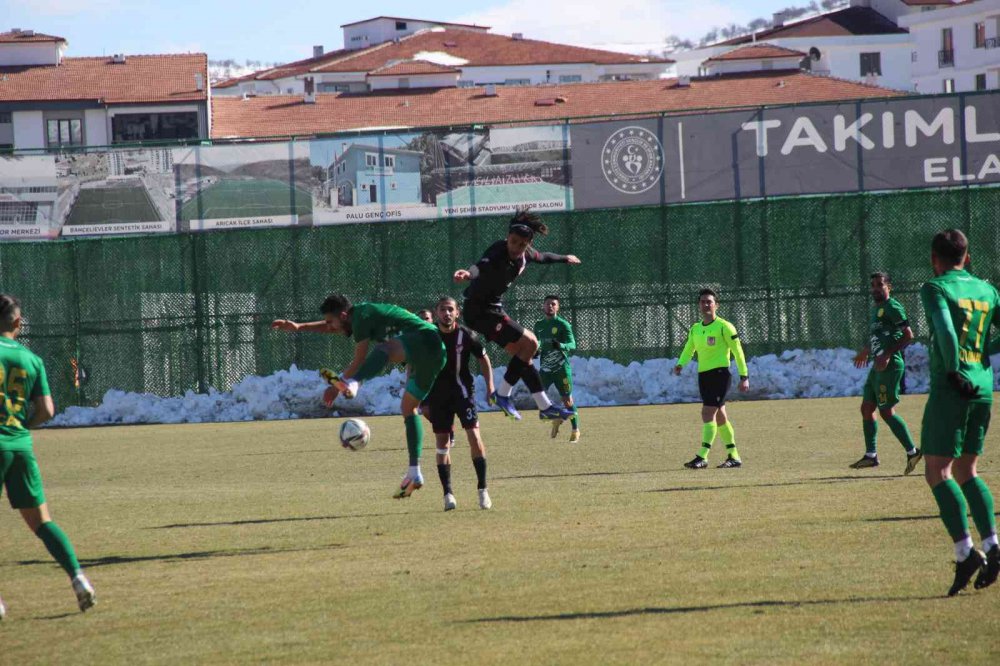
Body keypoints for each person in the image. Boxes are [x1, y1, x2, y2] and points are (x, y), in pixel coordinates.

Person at [272, 295, 446, 499]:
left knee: (383, 349)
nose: (329, 327)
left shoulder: (363, 315)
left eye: (331, 321)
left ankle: (354, 383)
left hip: (425, 338)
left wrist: (341, 385)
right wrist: (300, 327)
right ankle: (414, 472)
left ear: (344, 315)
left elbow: (358, 359)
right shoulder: (354, 318)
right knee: (408, 409)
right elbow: (332, 326)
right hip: (433, 356)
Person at [0, 294, 95, 616]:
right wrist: (20, 425)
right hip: (21, 446)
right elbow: (47, 410)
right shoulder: (32, 359)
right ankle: (79, 578)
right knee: (42, 522)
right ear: (17, 322)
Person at [919, 229, 999, 595]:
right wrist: (981, 354)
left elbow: (946, 332)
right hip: (982, 387)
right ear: (966, 257)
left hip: (953, 387)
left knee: (937, 470)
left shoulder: (935, 288)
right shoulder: (987, 289)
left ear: (935, 259)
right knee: (968, 469)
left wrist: (953, 371)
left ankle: (966, 551)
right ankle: (993, 544)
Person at [453, 209, 581, 423]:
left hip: (492, 308)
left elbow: (544, 257)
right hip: (479, 310)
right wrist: (468, 274)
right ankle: (502, 395)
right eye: (513, 241)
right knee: (531, 343)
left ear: (527, 244)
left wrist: (564, 258)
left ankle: (545, 406)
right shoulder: (498, 249)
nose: (515, 247)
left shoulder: (526, 255)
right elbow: (481, 265)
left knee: (525, 356)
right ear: (508, 238)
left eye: (521, 244)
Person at [425, 297, 495, 511]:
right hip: (438, 396)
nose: (447, 313)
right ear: (436, 313)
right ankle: (448, 494)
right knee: (442, 444)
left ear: (458, 313)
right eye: (443, 310)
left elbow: (484, 359)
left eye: (450, 310)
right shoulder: (428, 336)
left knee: (474, 436)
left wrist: (490, 387)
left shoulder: (467, 335)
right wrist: (420, 395)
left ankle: (483, 489)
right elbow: (416, 364)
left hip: (463, 393)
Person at [850, 272, 921, 474]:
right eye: (872, 285)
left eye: (879, 285)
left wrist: (887, 354)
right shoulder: (878, 309)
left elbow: (908, 335)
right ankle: (871, 456)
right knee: (866, 408)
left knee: (886, 411)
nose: (875, 288)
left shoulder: (893, 307)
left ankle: (912, 451)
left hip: (889, 366)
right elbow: (879, 336)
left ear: (889, 286)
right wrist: (867, 350)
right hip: (877, 366)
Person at [673, 289, 749, 469]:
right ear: (699, 305)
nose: (706, 304)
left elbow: (738, 353)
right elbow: (689, 348)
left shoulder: (725, 327)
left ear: (716, 304)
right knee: (721, 417)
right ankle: (734, 456)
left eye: (709, 301)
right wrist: (680, 364)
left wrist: (744, 376)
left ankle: (702, 456)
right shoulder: (695, 328)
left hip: (720, 375)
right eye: (703, 302)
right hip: (704, 376)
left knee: (707, 413)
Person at [533, 295, 581, 442]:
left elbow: (573, 344)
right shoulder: (539, 325)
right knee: (539, 397)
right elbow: (536, 342)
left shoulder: (563, 324)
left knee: (567, 400)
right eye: (548, 304)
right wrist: (535, 350)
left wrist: (561, 345)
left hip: (561, 370)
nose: (550, 306)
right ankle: (557, 416)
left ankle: (575, 430)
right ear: (543, 306)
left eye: (553, 304)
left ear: (558, 307)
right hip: (546, 370)